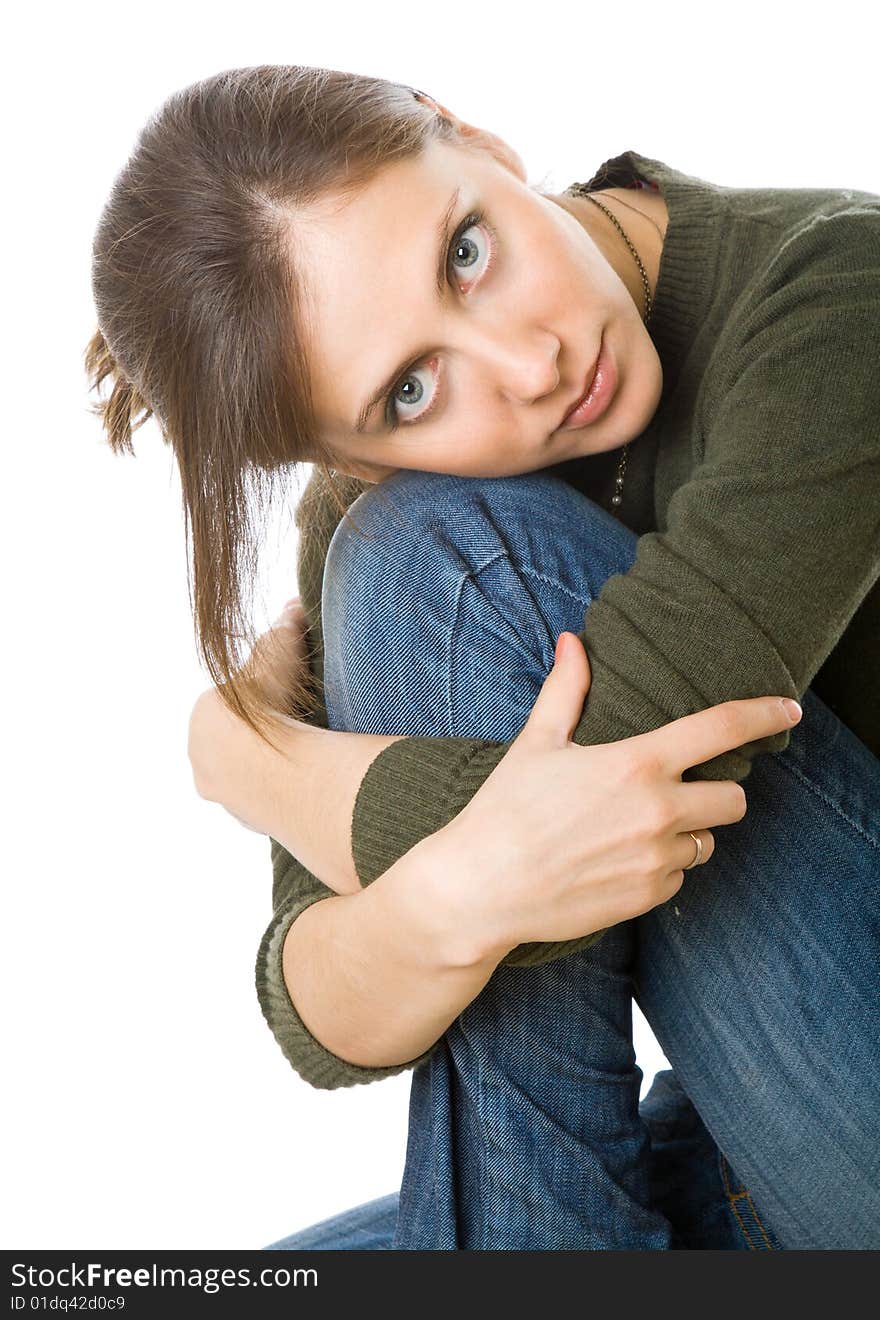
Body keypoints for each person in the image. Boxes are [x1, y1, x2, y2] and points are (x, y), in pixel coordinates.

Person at [87, 65, 880, 1250]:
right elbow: (322, 1011)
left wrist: (250, 761)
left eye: (465, 251)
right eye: (408, 391)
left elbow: (601, 803)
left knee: (430, 556)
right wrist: (458, 900)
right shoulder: (369, 512)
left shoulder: (840, 295)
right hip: (744, 1149)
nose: (530, 364)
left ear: (477, 139)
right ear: (343, 455)